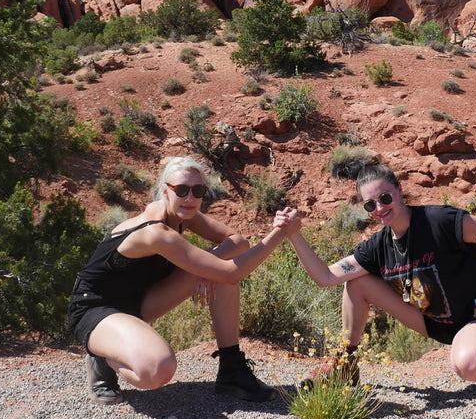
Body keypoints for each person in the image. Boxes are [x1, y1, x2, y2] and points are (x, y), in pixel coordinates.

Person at [68, 156, 301, 405]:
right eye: (181, 190)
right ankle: (102, 354)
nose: (190, 198)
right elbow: (232, 272)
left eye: (198, 190)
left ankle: (232, 370)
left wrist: (208, 269)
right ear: (165, 191)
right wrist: (280, 233)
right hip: (94, 307)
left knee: (219, 271)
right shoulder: (155, 232)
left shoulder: (184, 214)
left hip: (139, 303)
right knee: (159, 369)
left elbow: (238, 241)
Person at [287, 163, 476, 405]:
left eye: (385, 197)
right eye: (370, 204)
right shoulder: (378, 247)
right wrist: (293, 233)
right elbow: (326, 277)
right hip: (433, 323)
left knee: (469, 364)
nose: (379, 208)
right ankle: (345, 365)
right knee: (357, 283)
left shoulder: (440, 221)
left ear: (399, 191)